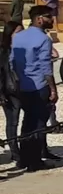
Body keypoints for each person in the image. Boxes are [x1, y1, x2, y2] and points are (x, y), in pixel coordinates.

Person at [11, 4, 58, 169]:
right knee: (38, 124)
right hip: (39, 86)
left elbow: (12, 62)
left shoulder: (18, 37)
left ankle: (24, 158)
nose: (52, 19)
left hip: (21, 86)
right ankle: (35, 161)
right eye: (49, 17)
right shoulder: (44, 39)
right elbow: (46, 67)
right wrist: (53, 89)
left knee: (27, 123)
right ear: (39, 19)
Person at [1, 19, 21, 165]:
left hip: (26, 88)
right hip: (10, 91)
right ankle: (15, 151)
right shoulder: (3, 52)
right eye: (18, 33)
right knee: (12, 122)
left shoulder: (23, 49)